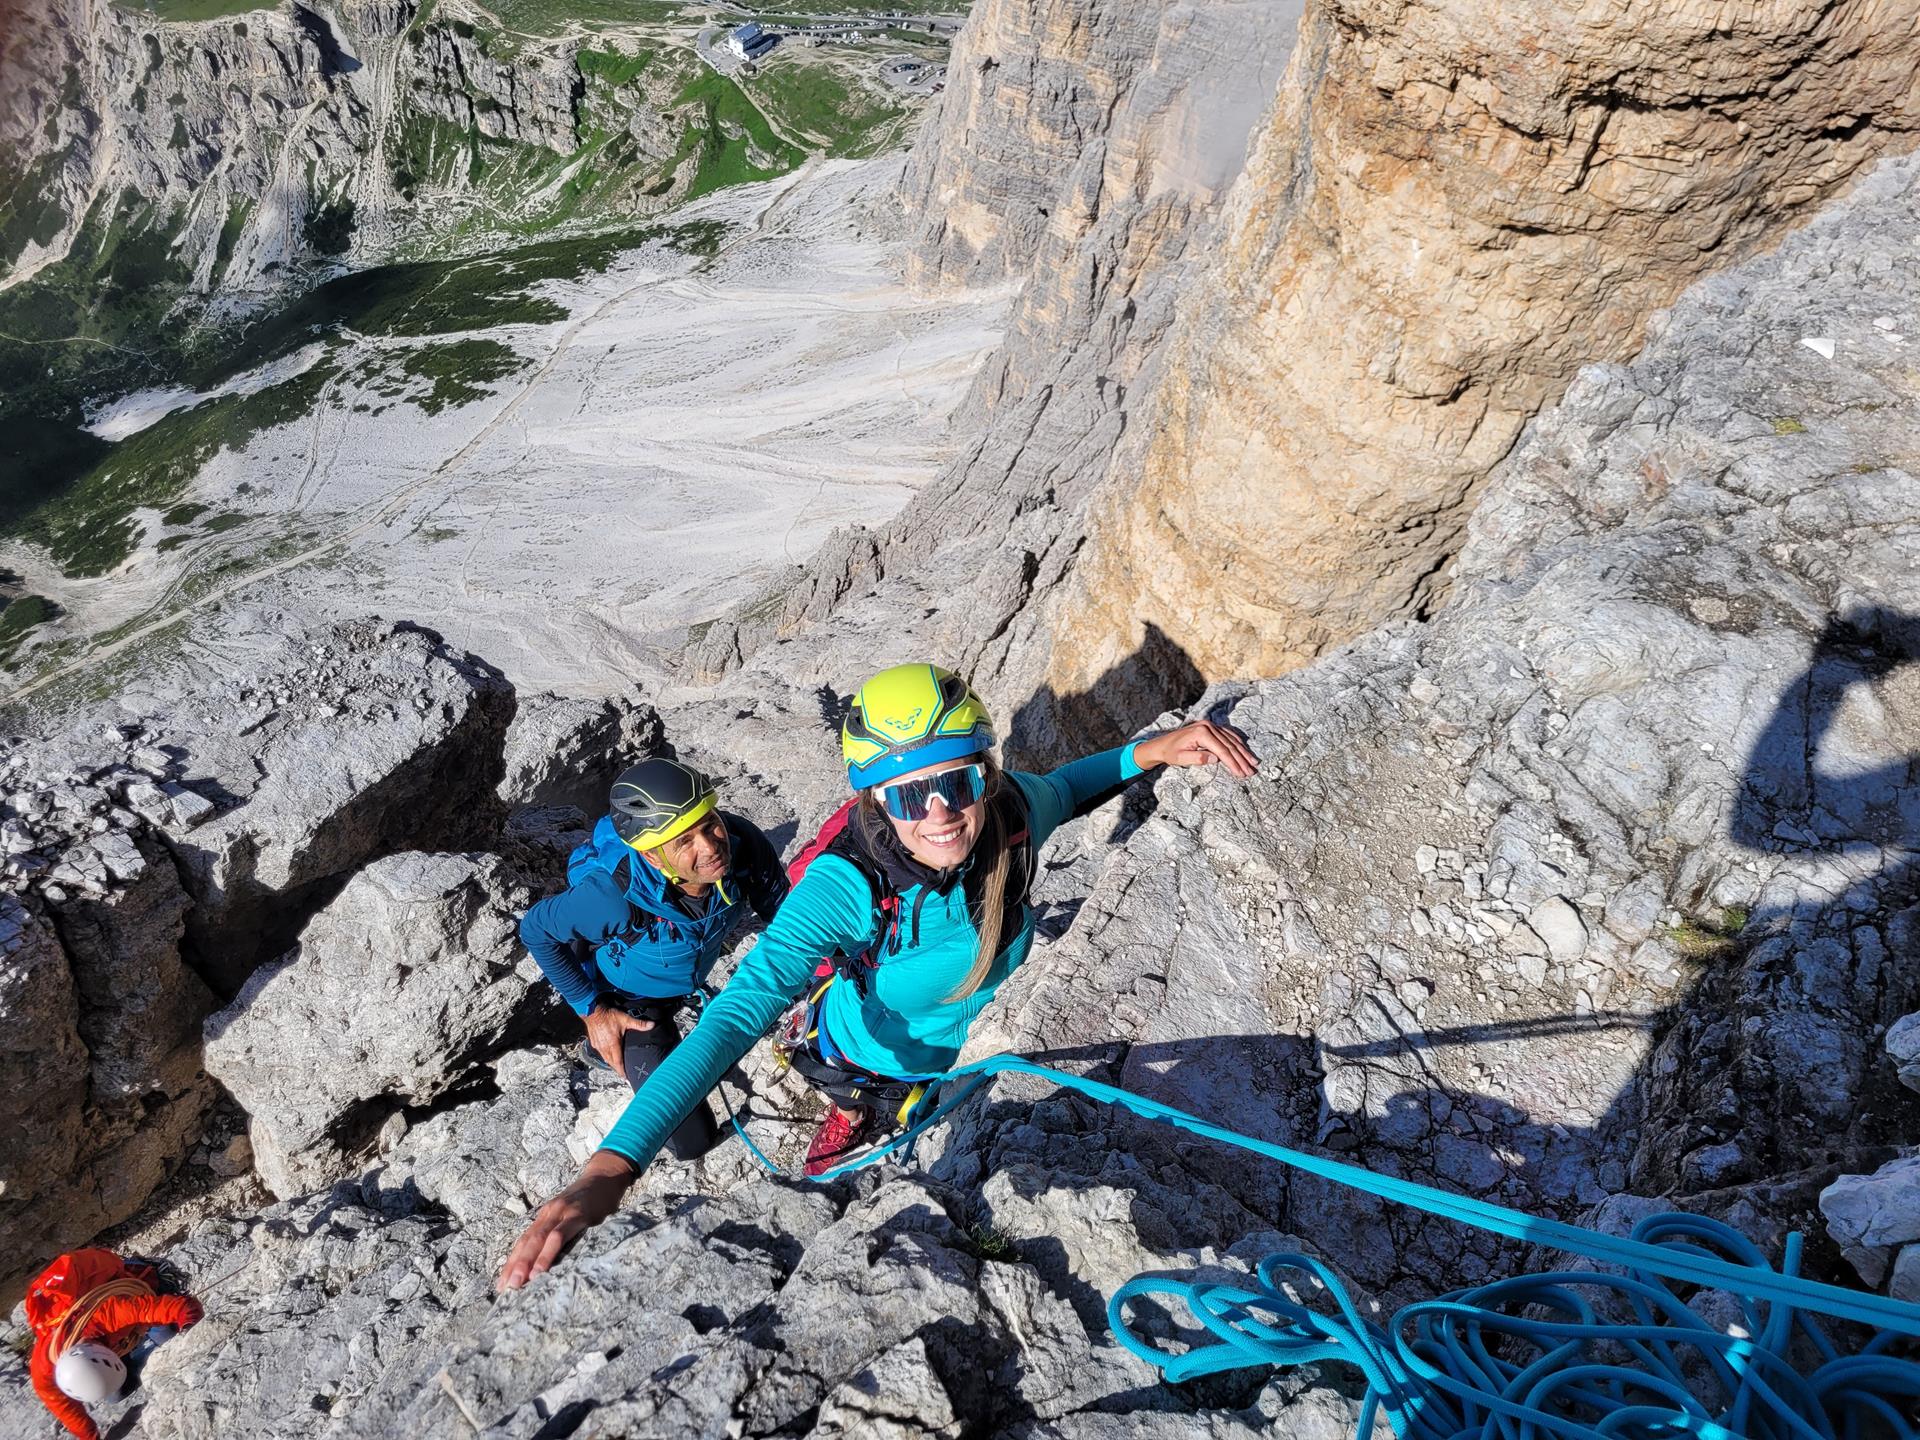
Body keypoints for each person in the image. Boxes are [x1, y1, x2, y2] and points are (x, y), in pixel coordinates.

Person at [499, 663, 1257, 1291]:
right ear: (876, 800)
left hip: (986, 1028)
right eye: (907, 794)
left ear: (985, 775)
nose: (940, 812)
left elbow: (1068, 785)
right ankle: (851, 1106)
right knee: (856, 1078)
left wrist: (1155, 751)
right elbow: (736, 1012)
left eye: (957, 781)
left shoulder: (1008, 814)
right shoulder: (846, 886)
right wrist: (611, 1167)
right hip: (873, 1041)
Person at [519, 756, 789, 1159]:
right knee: (691, 1142)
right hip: (630, 1000)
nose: (711, 847)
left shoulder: (743, 844)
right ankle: (597, 1046)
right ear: (651, 856)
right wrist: (593, 1012)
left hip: (687, 972)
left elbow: (786, 918)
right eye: (685, 842)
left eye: (709, 824)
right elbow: (535, 930)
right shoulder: (611, 896)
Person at [26, 1248, 203, 1440]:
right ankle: (139, 1357)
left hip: (133, 1292)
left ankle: (148, 1340)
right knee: (114, 1395)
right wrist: (90, 1437)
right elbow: (63, 1406)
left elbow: (149, 1309)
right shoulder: (44, 1368)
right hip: (118, 1337)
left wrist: (186, 1315)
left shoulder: (102, 1318)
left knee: (166, 1333)